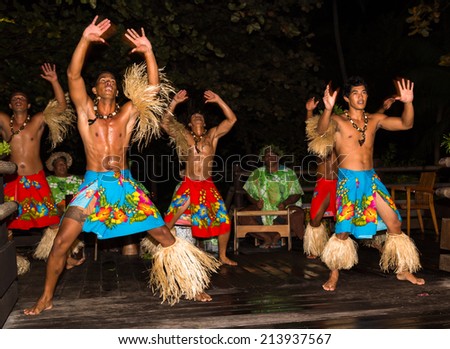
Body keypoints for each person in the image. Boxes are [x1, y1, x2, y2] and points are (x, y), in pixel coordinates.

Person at [24, 16, 219, 316]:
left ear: (117, 91)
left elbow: (152, 90)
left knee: (165, 235)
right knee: (62, 240)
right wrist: (85, 40)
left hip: (124, 185)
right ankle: (46, 297)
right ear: (94, 90)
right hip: (92, 186)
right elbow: (72, 74)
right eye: (103, 80)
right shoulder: (85, 111)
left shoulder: (126, 114)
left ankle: (191, 285)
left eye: (112, 81)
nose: (108, 82)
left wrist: (149, 52)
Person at [317, 76, 425, 291]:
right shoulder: (338, 120)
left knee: (394, 223)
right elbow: (320, 132)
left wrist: (408, 102)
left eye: (364, 92)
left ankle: (402, 269)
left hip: (372, 179)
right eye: (356, 92)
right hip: (348, 181)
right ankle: (334, 274)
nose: (361, 96)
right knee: (343, 231)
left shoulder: (374, 119)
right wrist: (328, 109)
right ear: (347, 97)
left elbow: (407, 124)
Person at [161, 89, 237, 266]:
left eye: (201, 117)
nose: (198, 118)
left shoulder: (212, 135)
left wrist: (219, 100)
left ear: (204, 123)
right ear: (189, 124)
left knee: (224, 220)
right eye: (194, 117)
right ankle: (163, 252)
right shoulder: (185, 136)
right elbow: (165, 123)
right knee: (171, 219)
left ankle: (223, 256)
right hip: (188, 184)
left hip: (207, 185)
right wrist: (174, 102)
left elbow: (232, 120)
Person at [0, 63, 66, 232]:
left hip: (36, 178)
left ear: (28, 105)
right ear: (10, 106)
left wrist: (54, 81)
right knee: (7, 222)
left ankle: (61, 256)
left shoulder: (37, 120)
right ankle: (13, 258)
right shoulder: (5, 122)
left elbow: (61, 107)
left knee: (51, 220)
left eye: (22, 98)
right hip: (12, 179)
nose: (18, 100)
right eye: (15, 99)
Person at [240, 144, 305, 248]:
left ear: (278, 157)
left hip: (284, 211)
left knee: (298, 214)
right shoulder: (257, 173)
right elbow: (249, 193)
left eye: (272, 155)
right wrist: (255, 202)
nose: (269, 158)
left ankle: (276, 238)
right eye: (267, 156)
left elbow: (296, 193)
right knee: (242, 215)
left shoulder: (288, 173)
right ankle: (267, 238)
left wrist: (285, 203)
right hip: (262, 212)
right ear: (263, 158)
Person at [303, 97, 338, 258]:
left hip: (339, 183)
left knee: (342, 218)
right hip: (323, 183)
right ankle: (315, 248)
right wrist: (309, 110)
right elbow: (310, 127)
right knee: (315, 217)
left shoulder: (340, 140)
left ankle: (339, 248)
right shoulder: (318, 141)